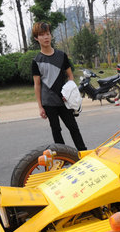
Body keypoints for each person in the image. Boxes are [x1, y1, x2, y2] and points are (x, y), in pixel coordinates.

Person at [31, 22, 87, 150]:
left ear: (51, 35)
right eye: (42, 35)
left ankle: (83, 153)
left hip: (64, 100)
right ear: (36, 38)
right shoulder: (36, 61)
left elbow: (70, 76)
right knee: (56, 130)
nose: (46, 37)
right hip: (49, 102)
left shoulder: (62, 55)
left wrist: (70, 93)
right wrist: (40, 107)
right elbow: (37, 84)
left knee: (73, 127)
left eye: (48, 34)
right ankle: (63, 157)